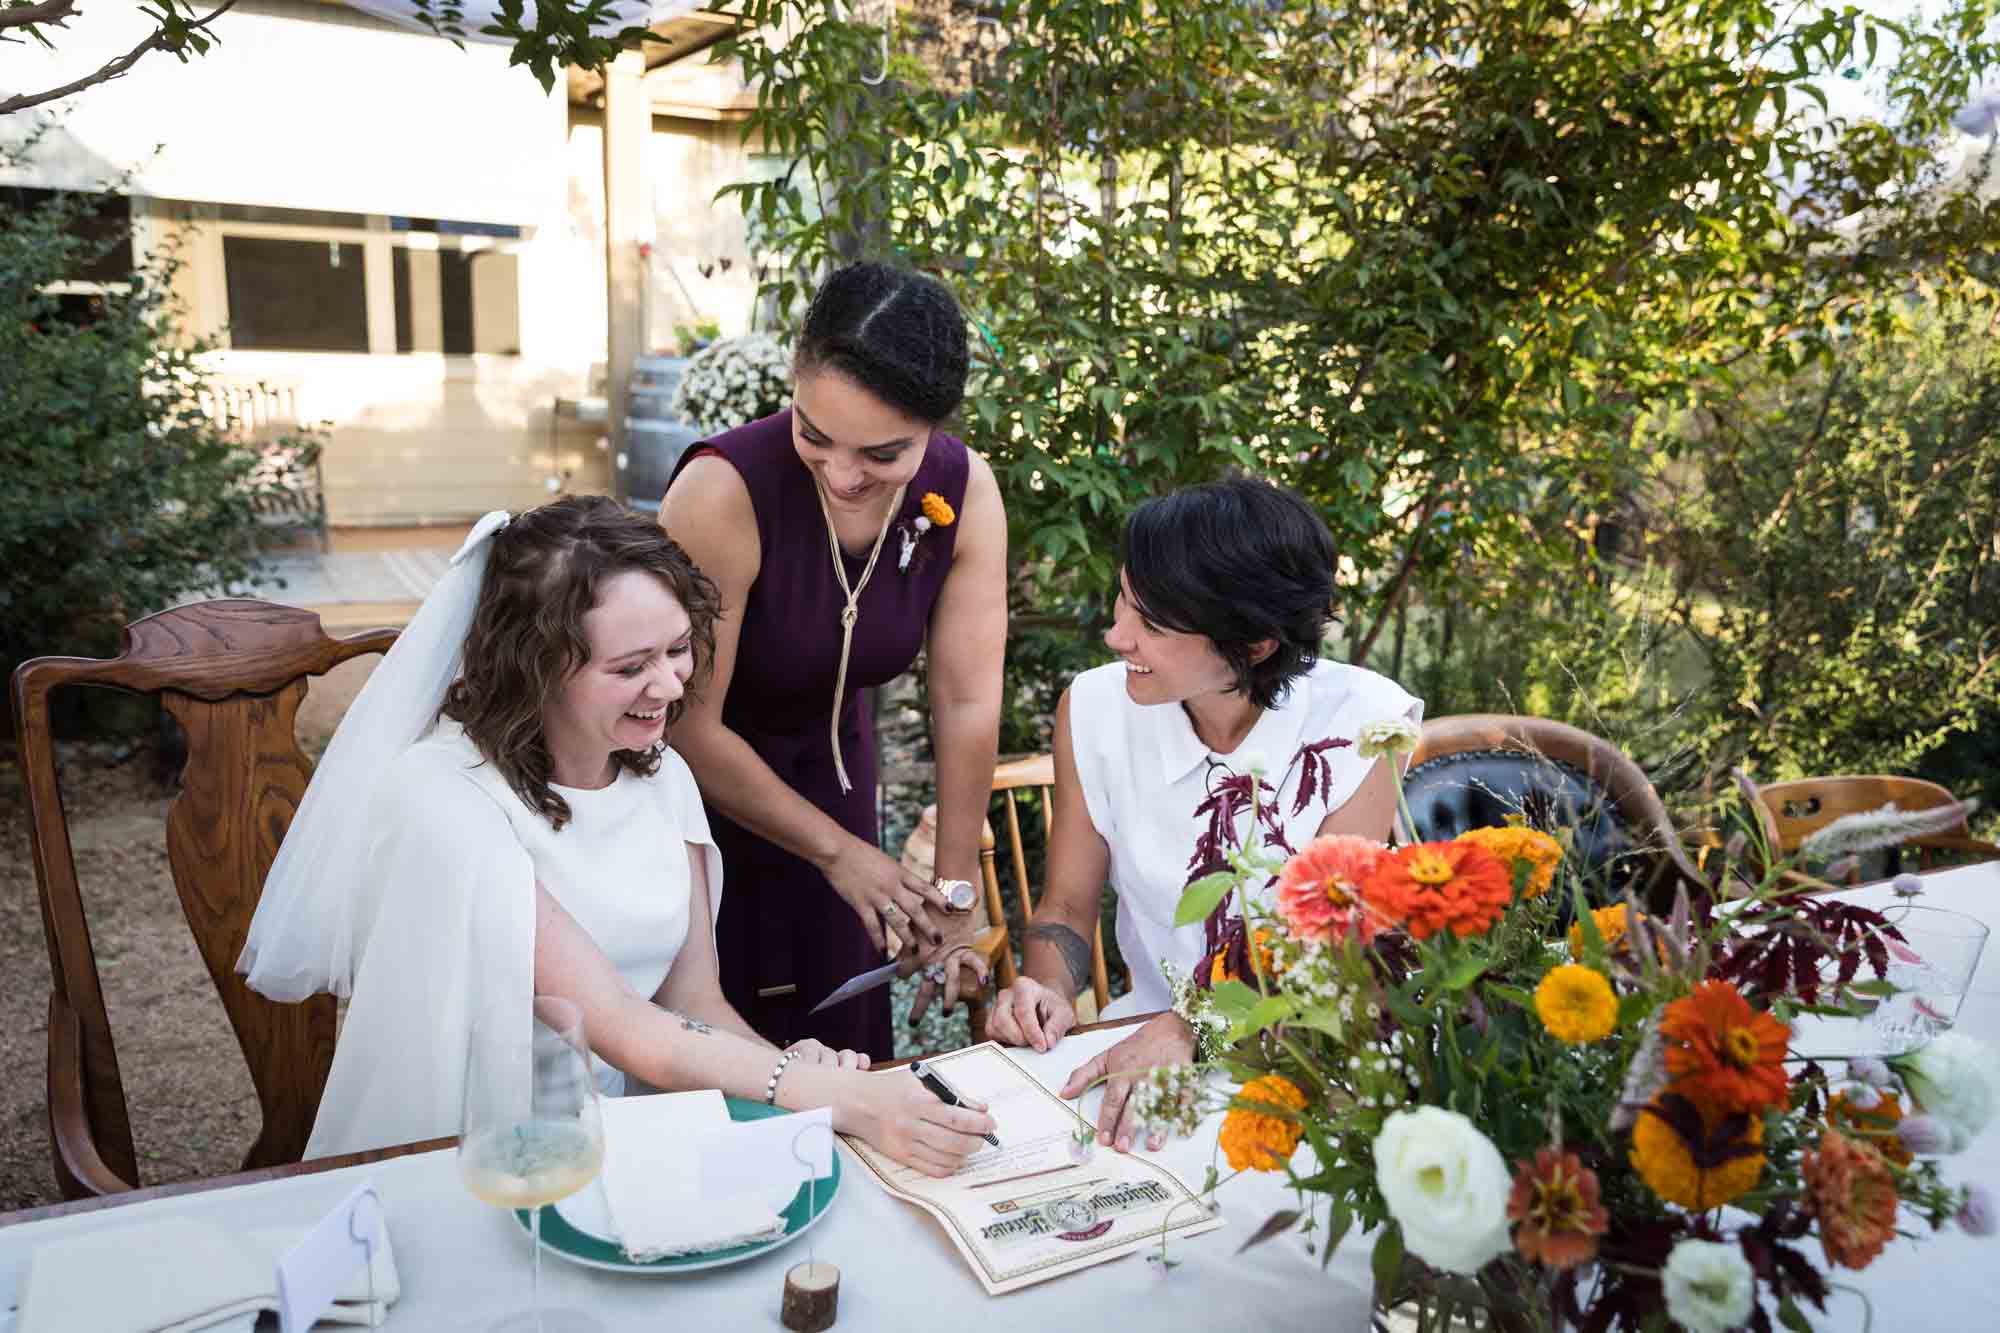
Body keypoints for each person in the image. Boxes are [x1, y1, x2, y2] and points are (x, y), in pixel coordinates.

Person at [238, 497, 994, 1175]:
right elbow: (624, 1026)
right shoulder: (442, 801)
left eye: (677, 649)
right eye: (631, 665)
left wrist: (787, 1066)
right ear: (536, 667)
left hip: (627, 1143)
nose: (670, 686)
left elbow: (693, 1000)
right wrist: (835, 1097)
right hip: (474, 1160)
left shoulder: (661, 776)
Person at [983, 478, 1421, 1152]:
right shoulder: (1095, 709)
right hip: (1143, 1040)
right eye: (1122, 601)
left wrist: (1192, 1028)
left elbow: (1322, 948)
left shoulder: (1362, 723)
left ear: (1253, 646)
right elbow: (1067, 906)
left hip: (1308, 1054)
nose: (1115, 635)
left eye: (1151, 624)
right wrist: (1045, 986)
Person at [661, 263, 1007, 1060]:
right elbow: (684, 722)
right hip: (703, 810)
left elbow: (966, 702)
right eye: (814, 434)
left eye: (883, 453)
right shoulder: (721, 492)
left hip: (843, 789)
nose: (845, 475)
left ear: (935, 427)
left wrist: (956, 892)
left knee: (844, 1048)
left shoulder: (966, 493)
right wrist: (838, 853)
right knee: (730, 1059)